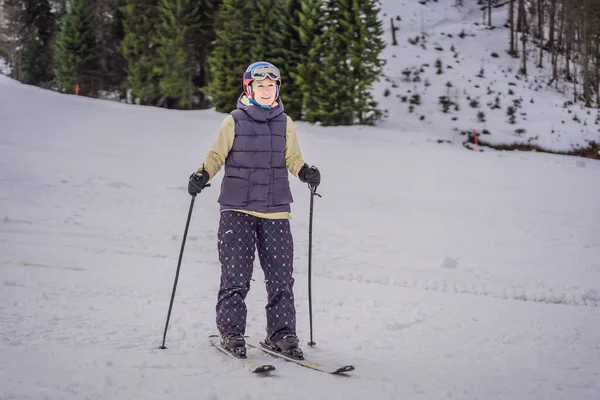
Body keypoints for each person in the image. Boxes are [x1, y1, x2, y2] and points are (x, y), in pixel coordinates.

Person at [187, 61, 321, 359]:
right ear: (249, 88)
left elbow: (293, 158)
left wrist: (305, 172)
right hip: (237, 208)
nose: (265, 90)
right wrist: (202, 174)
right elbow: (215, 155)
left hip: (275, 210)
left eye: (270, 86)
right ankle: (232, 332)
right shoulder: (233, 120)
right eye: (259, 85)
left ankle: (282, 334)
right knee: (236, 274)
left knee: (281, 277)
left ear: (277, 89)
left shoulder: (284, 122)